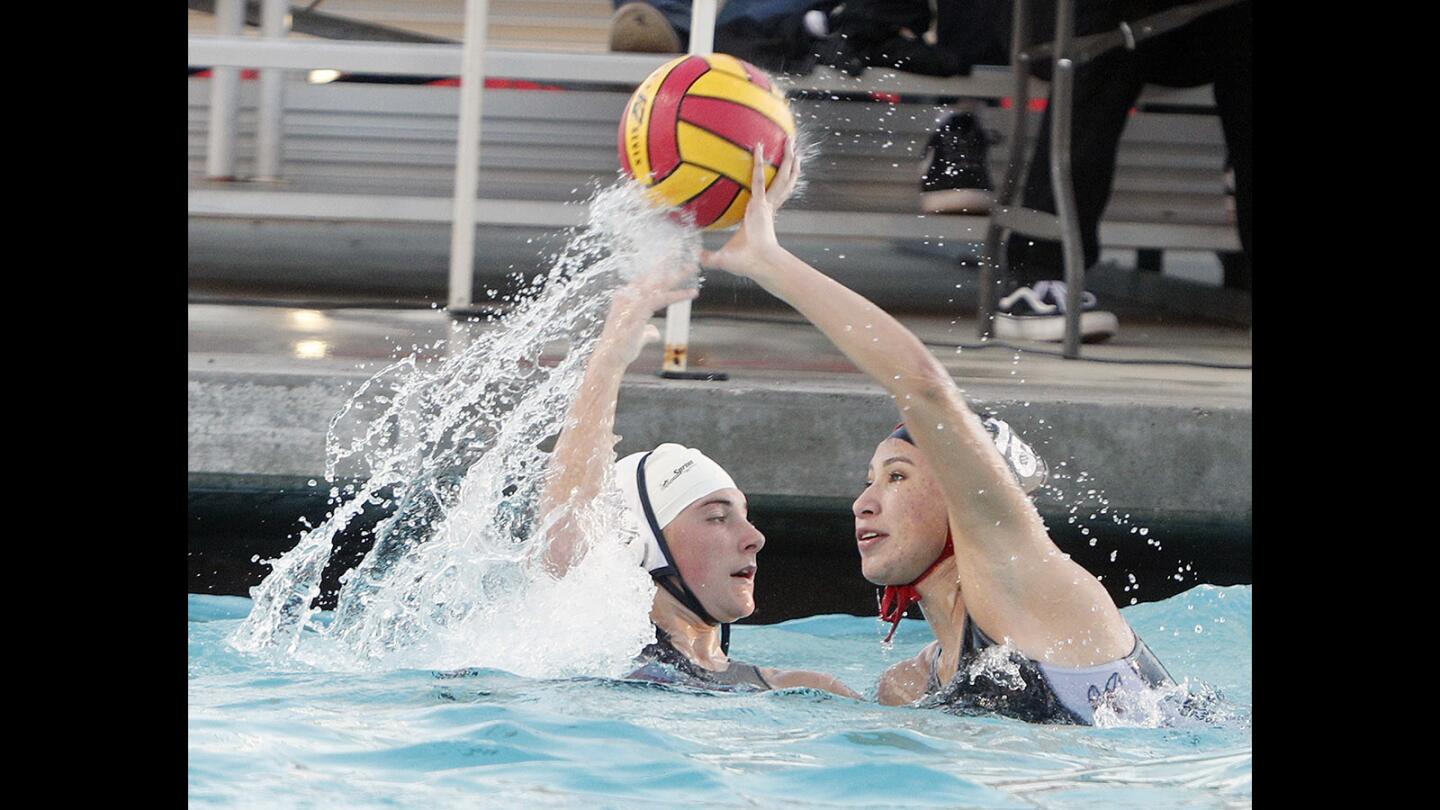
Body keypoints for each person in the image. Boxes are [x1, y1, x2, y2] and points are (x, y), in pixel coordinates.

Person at [702, 140, 1176, 724]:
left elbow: (922, 385)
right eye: (871, 479)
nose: (863, 503)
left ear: (966, 491)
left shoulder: (1036, 583)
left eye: (897, 477)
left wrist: (771, 262)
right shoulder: (908, 685)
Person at [535, 245, 860, 698]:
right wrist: (608, 362)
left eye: (743, 515)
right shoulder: (592, 660)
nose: (756, 538)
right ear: (641, 543)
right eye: (716, 516)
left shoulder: (810, 690)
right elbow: (565, 525)